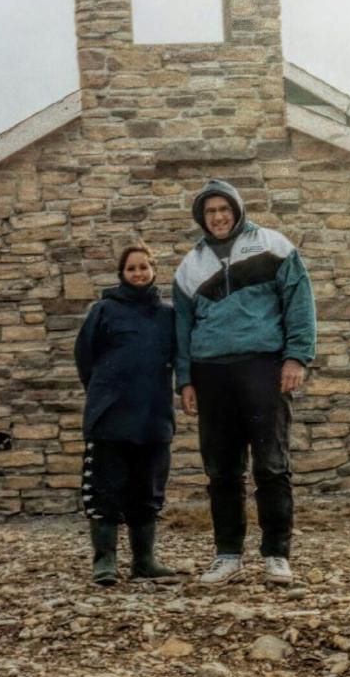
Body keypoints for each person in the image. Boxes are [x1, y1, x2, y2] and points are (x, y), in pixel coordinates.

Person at [173, 179, 316, 587]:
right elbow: (181, 327)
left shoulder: (274, 246)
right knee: (222, 470)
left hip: (263, 367)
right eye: (210, 211)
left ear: (237, 210)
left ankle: (276, 555)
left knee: (271, 465)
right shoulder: (190, 265)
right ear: (201, 217)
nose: (218, 217)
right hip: (211, 372)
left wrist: (296, 356)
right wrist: (185, 379)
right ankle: (228, 555)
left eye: (224, 209)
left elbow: (299, 301)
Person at [74, 242, 178, 586]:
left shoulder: (168, 315)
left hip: (153, 416)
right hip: (110, 417)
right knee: (105, 489)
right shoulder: (103, 310)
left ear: (154, 270)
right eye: (131, 268)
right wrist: (105, 393)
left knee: (148, 489)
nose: (138, 273)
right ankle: (105, 561)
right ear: (122, 273)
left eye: (143, 267)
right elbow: (85, 359)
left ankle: (144, 561)